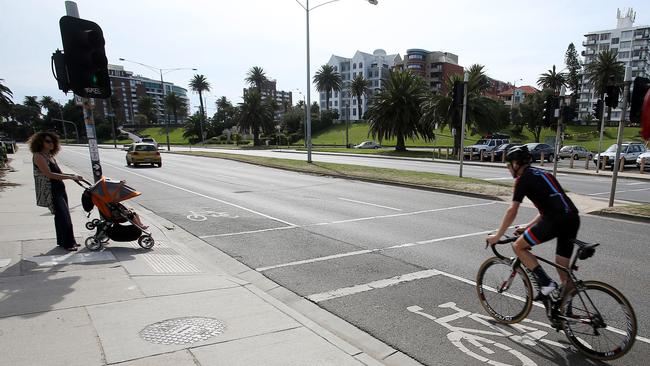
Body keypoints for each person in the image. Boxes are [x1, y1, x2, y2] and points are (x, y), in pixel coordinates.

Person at [486, 145, 580, 308]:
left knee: (518, 246)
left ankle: (546, 283)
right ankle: (566, 314)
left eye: (509, 165)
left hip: (555, 220)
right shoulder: (544, 173)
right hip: (572, 218)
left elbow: (512, 210)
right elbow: (548, 208)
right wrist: (527, 226)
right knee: (563, 269)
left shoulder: (523, 179)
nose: (508, 169)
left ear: (516, 164)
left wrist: (497, 236)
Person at [29, 132, 83, 251]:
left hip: (59, 187)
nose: (51, 144)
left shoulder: (50, 156)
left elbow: (59, 173)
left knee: (62, 215)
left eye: (52, 141)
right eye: (48, 141)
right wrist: (70, 177)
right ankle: (68, 243)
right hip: (51, 189)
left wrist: (73, 175)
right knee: (63, 216)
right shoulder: (38, 156)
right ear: (40, 142)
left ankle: (64, 241)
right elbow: (49, 174)